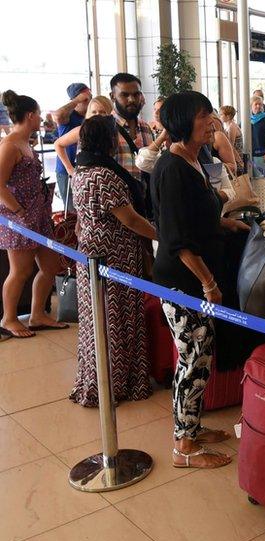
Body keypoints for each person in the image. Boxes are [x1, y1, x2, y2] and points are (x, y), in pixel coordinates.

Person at [152, 91, 248, 469]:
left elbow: (194, 217)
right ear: (180, 122)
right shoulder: (173, 168)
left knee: (201, 356)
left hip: (193, 278)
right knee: (192, 360)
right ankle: (184, 448)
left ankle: (190, 428)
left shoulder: (192, 160)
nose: (211, 121)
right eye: (203, 115)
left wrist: (225, 221)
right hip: (183, 282)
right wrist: (209, 283)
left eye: (210, 113)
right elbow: (177, 240)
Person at [68, 115, 158, 407]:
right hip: (114, 255)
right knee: (118, 318)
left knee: (98, 319)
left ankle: (97, 380)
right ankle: (118, 383)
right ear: (107, 140)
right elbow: (129, 219)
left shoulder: (81, 170)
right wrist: (161, 235)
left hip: (91, 253)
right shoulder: (104, 175)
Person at [0, 91, 66, 338]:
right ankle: (8, 318)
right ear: (30, 115)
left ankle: (38, 314)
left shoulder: (25, 142)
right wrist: (19, 212)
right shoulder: (9, 144)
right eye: (39, 114)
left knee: (50, 265)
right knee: (20, 270)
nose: (41, 119)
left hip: (38, 215)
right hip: (19, 218)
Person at [51, 82, 91, 210]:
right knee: (73, 211)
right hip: (67, 170)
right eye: (86, 99)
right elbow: (57, 115)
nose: (89, 101)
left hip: (85, 169)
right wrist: (77, 100)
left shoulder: (90, 117)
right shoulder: (68, 116)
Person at [54, 95, 114, 178]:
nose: (97, 115)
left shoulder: (115, 130)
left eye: (102, 112)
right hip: (85, 180)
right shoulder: (81, 130)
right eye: (94, 112)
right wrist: (69, 168)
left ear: (110, 112)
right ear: (89, 113)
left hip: (110, 177)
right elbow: (58, 144)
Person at [110, 73, 154, 183]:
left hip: (144, 197)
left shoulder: (146, 128)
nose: (131, 100)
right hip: (116, 197)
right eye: (124, 95)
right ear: (112, 96)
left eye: (136, 95)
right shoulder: (103, 128)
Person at [250, 95, 265, 177]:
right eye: (256, 104)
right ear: (251, 105)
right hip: (250, 154)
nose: (258, 106)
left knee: (261, 178)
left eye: (260, 104)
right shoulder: (247, 118)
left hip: (262, 154)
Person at [218, 105, 245, 174]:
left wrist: (239, 161)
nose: (219, 116)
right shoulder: (229, 126)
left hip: (236, 159)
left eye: (221, 114)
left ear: (228, 116)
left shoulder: (232, 127)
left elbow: (230, 146)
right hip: (236, 158)